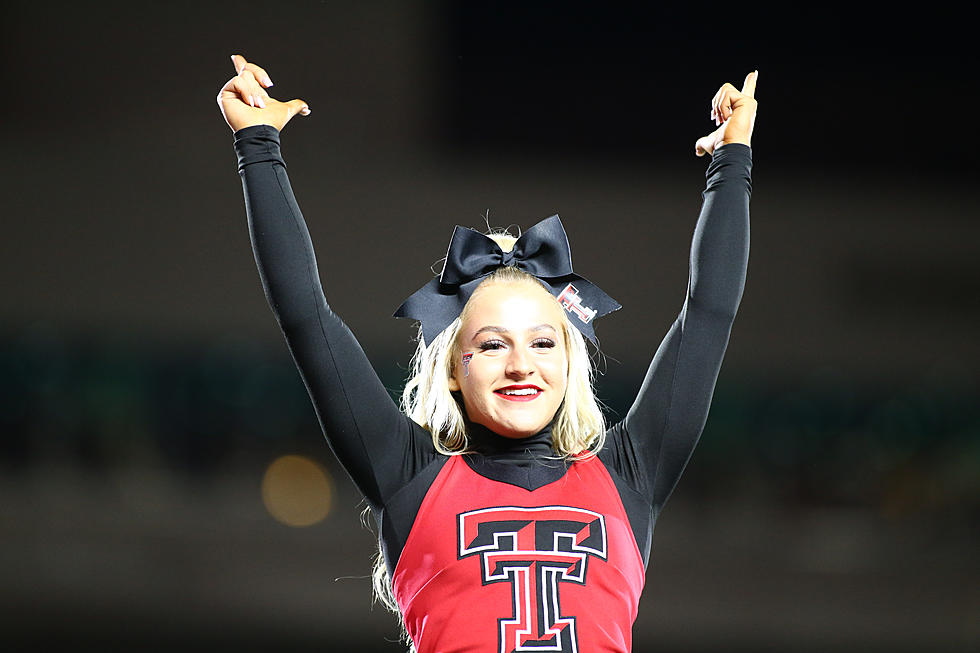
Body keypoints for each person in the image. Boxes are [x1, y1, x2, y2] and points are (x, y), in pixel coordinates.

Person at [218, 53, 757, 652]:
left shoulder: (629, 475)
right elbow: (306, 315)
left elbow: (708, 314)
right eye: (493, 344)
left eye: (543, 342)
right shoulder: (409, 476)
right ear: (453, 366)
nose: (521, 364)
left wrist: (731, 163)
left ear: (570, 362)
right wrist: (258, 147)